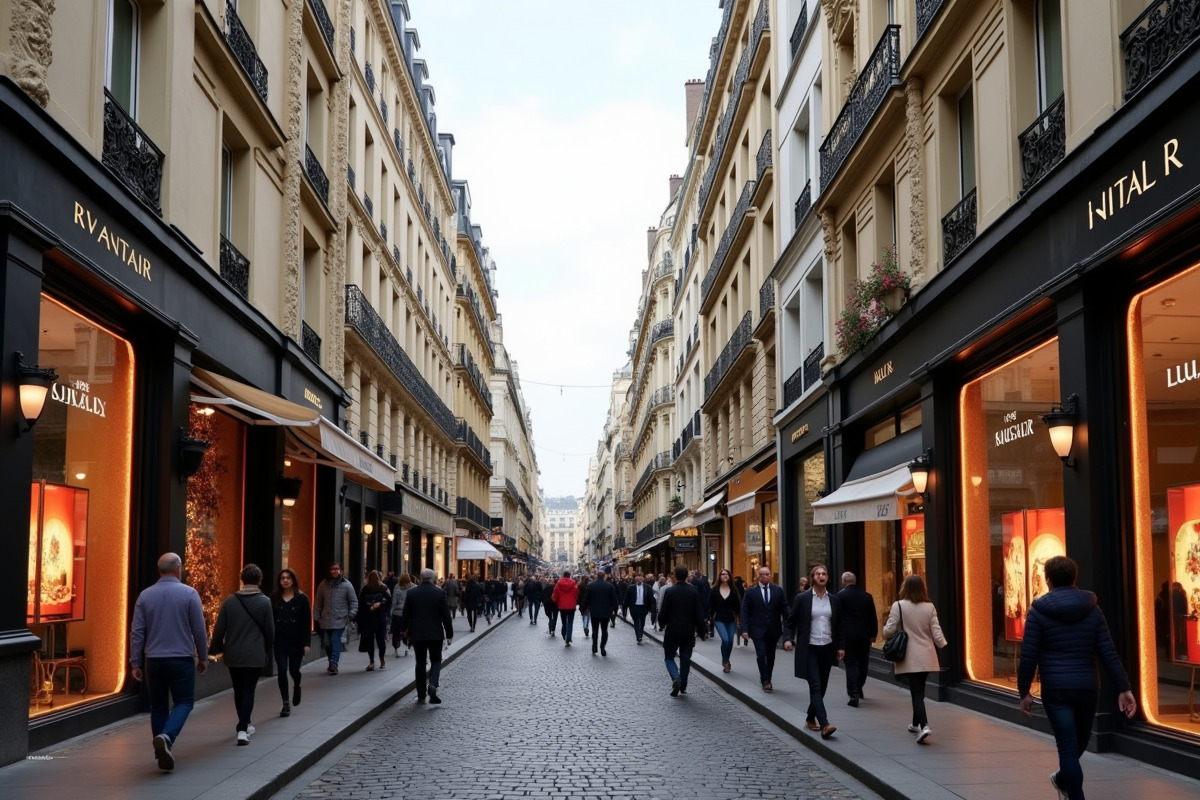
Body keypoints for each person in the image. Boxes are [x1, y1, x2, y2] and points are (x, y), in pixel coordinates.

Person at [1018, 556, 1136, 800]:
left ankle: (1064, 781)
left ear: (1047, 580)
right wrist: (1123, 687)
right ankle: (1069, 787)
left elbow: (1028, 657)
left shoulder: (1038, 612)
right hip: (1087, 687)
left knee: (1070, 747)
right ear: (1074, 578)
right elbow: (1108, 652)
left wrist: (1024, 693)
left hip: (1057, 689)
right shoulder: (1093, 609)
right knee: (1076, 744)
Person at [129, 552, 209, 771]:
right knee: (184, 702)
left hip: (153, 660)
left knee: (158, 706)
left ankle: (161, 749)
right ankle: (167, 736)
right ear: (178, 568)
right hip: (181, 658)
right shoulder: (189, 594)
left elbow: (137, 631)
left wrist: (135, 661)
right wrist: (203, 656)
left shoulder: (145, 596)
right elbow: (199, 630)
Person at [210, 563, 274, 745]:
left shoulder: (230, 601)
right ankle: (243, 728)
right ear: (259, 580)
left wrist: (214, 650)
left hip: (234, 653)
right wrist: (265, 649)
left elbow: (219, 629)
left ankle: (244, 724)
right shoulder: (265, 602)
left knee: (238, 690)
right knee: (249, 690)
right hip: (254, 654)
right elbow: (270, 632)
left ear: (242, 579)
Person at [882, 574, 946, 744]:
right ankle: (915, 724)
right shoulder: (929, 607)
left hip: (909, 655)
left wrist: (885, 632)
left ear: (905, 588)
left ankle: (924, 726)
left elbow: (889, 630)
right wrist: (942, 645)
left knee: (916, 692)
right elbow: (936, 631)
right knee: (919, 690)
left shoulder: (899, 606)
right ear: (922, 589)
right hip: (927, 654)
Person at [783, 564, 843, 740]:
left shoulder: (834, 600)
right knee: (815, 685)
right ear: (812, 578)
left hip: (827, 647)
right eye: (818, 574)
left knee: (822, 687)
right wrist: (788, 638)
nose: (821, 576)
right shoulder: (802, 598)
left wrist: (841, 646)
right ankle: (825, 724)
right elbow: (790, 621)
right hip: (809, 648)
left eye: (824, 574)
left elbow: (839, 626)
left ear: (827, 578)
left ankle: (810, 717)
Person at [401, 568, 454, 704]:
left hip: (417, 633)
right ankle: (433, 683)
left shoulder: (412, 593)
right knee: (436, 660)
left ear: (420, 578)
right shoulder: (439, 593)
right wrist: (449, 634)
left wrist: (403, 630)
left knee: (420, 662)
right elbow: (446, 616)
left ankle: (421, 694)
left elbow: (405, 614)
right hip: (435, 633)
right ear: (433, 579)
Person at [740, 565, 788, 692]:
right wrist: (744, 629)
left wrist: (791, 624)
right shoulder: (750, 592)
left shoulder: (778, 590)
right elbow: (745, 611)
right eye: (763, 574)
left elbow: (784, 609)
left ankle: (769, 677)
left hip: (773, 629)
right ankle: (765, 680)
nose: (766, 576)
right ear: (758, 577)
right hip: (757, 629)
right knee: (761, 655)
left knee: (771, 656)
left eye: (768, 574)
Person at [660, 565, 705, 696]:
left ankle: (675, 677)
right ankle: (683, 684)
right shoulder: (694, 591)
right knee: (685, 658)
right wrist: (702, 631)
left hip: (672, 630)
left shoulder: (670, 591)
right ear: (687, 576)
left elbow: (664, 611)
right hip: (688, 631)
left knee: (669, 657)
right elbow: (699, 613)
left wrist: (661, 624)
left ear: (674, 576)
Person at [271, 568, 311, 718]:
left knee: (294, 670)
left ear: (293, 579)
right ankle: (285, 703)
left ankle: (297, 686)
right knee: (281, 670)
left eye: (288, 578)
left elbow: (306, 623)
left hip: (297, 641)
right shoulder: (274, 598)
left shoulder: (302, 599)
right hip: (280, 642)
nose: (285, 580)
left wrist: (306, 643)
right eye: (282, 578)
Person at [838, 571, 878, 706]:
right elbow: (873, 616)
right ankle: (859, 687)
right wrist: (874, 634)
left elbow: (837, 619)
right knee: (863, 663)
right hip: (864, 635)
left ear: (844, 582)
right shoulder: (867, 596)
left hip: (848, 636)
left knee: (850, 663)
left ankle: (853, 691)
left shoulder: (840, 597)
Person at [313, 562, 357, 675]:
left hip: (340, 619)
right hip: (325, 619)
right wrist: (316, 615)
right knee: (327, 643)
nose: (334, 571)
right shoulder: (323, 585)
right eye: (332, 569)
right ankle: (331, 661)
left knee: (335, 640)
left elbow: (353, 601)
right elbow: (318, 602)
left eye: (337, 569)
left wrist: (352, 613)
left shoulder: (347, 585)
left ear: (341, 571)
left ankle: (334, 663)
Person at [357, 570, 392, 671]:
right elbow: (389, 601)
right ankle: (381, 659)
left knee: (370, 641)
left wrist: (370, 607)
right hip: (379, 618)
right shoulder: (383, 588)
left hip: (369, 618)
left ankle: (372, 661)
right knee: (380, 640)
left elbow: (361, 603)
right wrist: (380, 605)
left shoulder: (365, 589)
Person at [710, 568, 742, 673]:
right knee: (725, 639)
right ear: (719, 576)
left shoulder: (733, 590)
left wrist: (739, 617)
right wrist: (709, 617)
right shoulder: (714, 590)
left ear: (729, 576)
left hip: (731, 619)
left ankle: (727, 659)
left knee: (731, 641)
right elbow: (710, 605)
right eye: (722, 574)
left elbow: (738, 605)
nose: (724, 576)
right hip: (719, 618)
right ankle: (725, 660)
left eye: (726, 574)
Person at [586, 573, 619, 656]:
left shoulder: (591, 586)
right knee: (604, 630)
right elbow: (614, 599)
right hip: (606, 612)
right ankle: (602, 648)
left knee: (595, 630)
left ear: (597, 576)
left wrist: (584, 609)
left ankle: (594, 647)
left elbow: (587, 599)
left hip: (594, 612)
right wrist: (615, 610)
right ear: (604, 576)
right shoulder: (610, 586)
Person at [625, 573, 655, 644]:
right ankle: (638, 636)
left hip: (643, 607)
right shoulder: (631, 587)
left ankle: (640, 633)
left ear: (643, 579)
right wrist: (625, 608)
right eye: (637, 579)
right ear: (635, 580)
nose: (639, 580)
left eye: (640, 578)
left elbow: (651, 598)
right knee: (636, 621)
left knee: (642, 621)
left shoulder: (647, 587)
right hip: (634, 607)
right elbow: (627, 599)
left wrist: (653, 607)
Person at [551, 569, 579, 647]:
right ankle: (568, 637)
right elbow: (577, 594)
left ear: (563, 575)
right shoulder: (574, 584)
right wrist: (576, 601)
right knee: (570, 622)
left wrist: (556, 602)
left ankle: (564, 634)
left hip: (562, 606)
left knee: (564, 622)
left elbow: (554, 595)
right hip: (571, 606)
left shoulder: (558, 584)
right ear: (569, 576)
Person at [390, 573, 412, 657]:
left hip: (398, 613)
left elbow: (394, 601)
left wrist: (391, 612)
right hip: (408, 613)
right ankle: (406, 646)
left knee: (397, 632)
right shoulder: (413, 587)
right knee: (406, 631)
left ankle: (397, 647)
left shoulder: (397, 587)